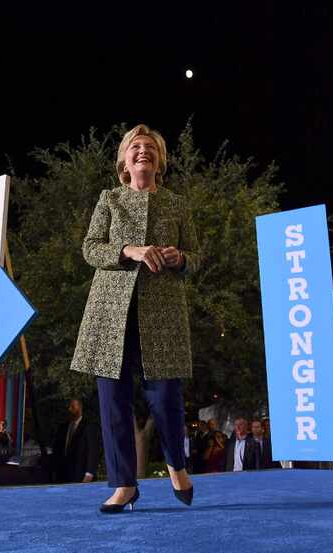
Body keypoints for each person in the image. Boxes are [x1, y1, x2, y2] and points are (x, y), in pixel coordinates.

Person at [70, 124, 202, 513]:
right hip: (109, 311)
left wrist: (182, 259)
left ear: (160, 161)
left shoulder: (178, 205)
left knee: (165, 396)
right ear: (124, 162)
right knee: (113, 401)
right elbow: (90, 248)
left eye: (150, 147)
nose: (142, 151)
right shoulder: (109, 199)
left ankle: (177, 464)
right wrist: (130, 249)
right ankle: (124, 485)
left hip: (162, 311)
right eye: (135, 147)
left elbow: (198, 255)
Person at [50, 399, 100, 483]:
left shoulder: (89, 427)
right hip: (62, 476)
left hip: (81, 476)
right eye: (69, 407)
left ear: (80, 408)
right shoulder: (62, 428)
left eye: (73, 407)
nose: (70, 409)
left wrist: (89, 474)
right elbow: (57, 450)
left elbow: (93, 451)